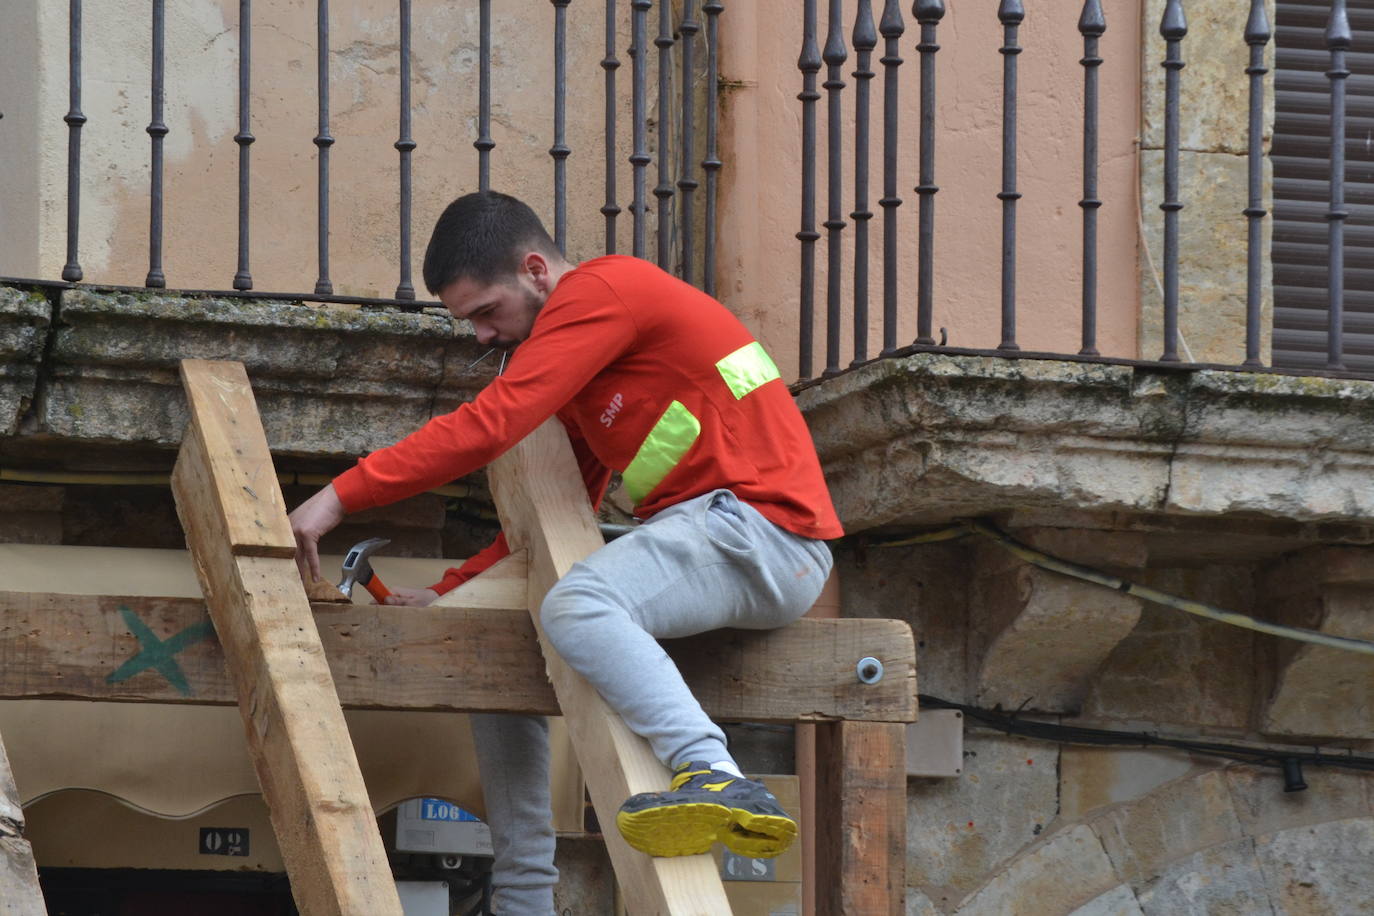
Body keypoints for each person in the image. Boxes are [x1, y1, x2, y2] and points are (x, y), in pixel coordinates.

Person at [289, 190, 842, 915]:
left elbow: (491, 423)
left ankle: (713, 772)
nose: (483, 336)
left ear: (535, 270)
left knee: (579, 604)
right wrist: (458, 590)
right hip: (727, 539)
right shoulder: (593, 369)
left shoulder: (602, 291)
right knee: (505, 648)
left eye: (487, 312)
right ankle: (524, 900)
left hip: (760, 534)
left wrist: (338, 496)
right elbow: (556, 517)